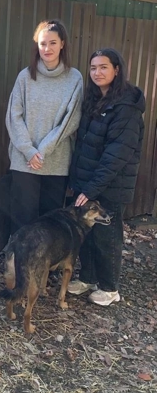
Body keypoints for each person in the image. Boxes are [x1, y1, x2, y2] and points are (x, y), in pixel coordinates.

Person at [68, 48, 145, 306]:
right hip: (89, 183)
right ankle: (88, 278)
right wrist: (79, 183)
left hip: (111, 185)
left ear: (117, 70)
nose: (97, 72)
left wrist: (91, 188)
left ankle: (110, 288)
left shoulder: (126, 107)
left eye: (103, 67)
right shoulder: (95, 100)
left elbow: (116, 156)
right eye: (93, 68)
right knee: (87, 233)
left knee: (107, 236)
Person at [6, 19, 83, 234]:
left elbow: (70, 120)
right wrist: (29, 151)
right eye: (42, 44)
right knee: (22, 221)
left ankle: (47, 259)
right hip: (25, 161)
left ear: (62, 44)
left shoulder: (74, 78)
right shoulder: (25, 76)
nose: (47, 48)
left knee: (51, 225)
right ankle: (18, 257)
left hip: (56, 162)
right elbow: (13, 116)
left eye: (52, 43)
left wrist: (43, 151)